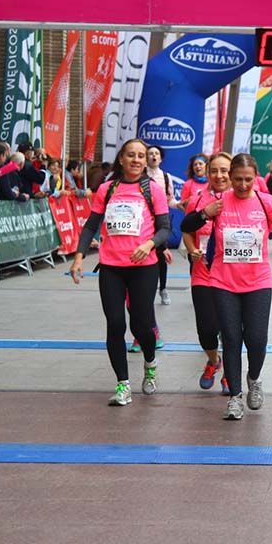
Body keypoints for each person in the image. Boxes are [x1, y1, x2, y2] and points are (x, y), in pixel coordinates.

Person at [182, 153, 272, 419]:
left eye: (248, 180)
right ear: (230, 178)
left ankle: (254, 379)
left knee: (256, 340)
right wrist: (204, 213)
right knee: (231, 339)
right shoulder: (218, 203)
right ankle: (235, 397)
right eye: (237, 179)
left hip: (258, 282)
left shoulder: (266, 202)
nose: (242, 185)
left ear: (256, 178)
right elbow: (186, 225)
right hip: (222, 281)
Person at [69, 139, 170, 407]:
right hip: (111, 267)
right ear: (122, 160)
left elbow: (165, 229)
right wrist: (78, 257)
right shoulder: (106, 189)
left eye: (141, 156)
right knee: (115, 323)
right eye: (131, 155)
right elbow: (91, 225)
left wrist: (149, 244)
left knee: (141, 325)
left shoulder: (153, 190)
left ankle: (150, 362)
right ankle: (123, 384)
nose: (137, 160)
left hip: (144, 267)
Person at [180, 152, 231, 395]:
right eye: (215, 170)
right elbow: (187, 230)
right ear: (207, 172)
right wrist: (192, 250)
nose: (219, 175)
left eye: (225, 170)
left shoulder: (243, 198)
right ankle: (213, 361)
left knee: (231, 329)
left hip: (233, 275)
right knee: (207, 329)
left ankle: (230, 371)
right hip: (203, 272)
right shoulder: (198, 200)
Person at [145, 145, 177, 306]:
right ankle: (143, 290)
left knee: (161, 255)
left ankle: (163, 288)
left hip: (160, 220)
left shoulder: (166, 177)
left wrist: (179, 205)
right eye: (150, 154)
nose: (154, 156)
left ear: (161, 158)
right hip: (143, 221)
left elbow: (170, 199)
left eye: (156, 154)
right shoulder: (140, 175)